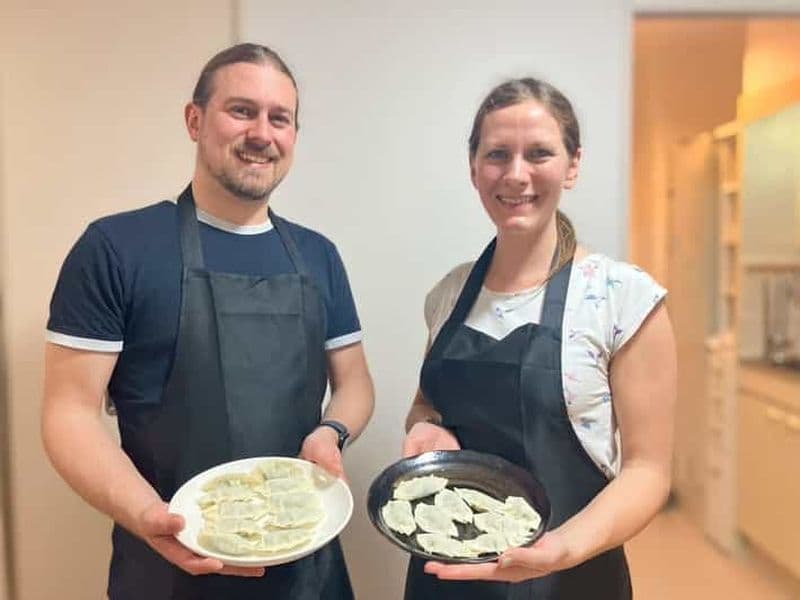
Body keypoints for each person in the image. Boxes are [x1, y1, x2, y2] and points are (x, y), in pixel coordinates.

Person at [41, 43, 374, 600]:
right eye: (242, 110)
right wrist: (150, 514)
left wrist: (329, 432)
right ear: (195, 120)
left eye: (280, 118)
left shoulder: (319, 256)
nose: (262, 133)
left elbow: (355, 384)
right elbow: (68, 412)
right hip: (166, 560)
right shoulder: (116, 248)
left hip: (305, 568)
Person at [402, 77, 676, 599]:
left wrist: (561, 548)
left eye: (539, 154)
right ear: (474, 168)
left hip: (569, 574)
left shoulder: (624, 298)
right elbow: (425, 405)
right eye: (497, 154)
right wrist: (427, 430)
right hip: (448, 572)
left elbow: (648, 471)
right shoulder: (449, 294)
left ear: (573, 165)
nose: (516, 174)